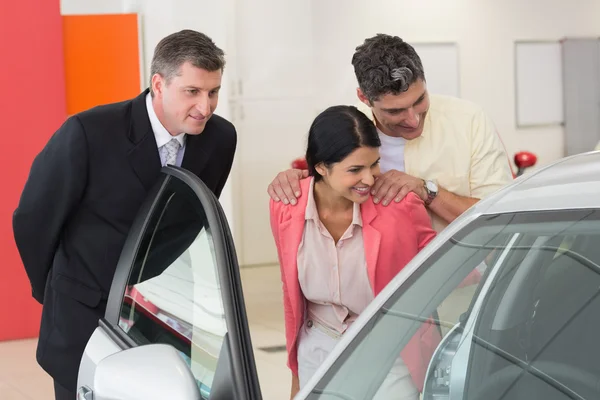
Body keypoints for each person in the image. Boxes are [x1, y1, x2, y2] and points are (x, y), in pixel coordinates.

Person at [12, 29, 236, 400]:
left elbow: (196, 215)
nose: (206, 107)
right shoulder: (88, 132)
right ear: (159, 84)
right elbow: (33, 220)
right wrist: (55, 291)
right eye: (192, 92)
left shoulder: (221, 138)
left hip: (161, 311)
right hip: (83, 311)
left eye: (213, 92)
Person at [270, 105, 438, 399]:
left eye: (374, 164)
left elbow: (440, 268)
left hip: (388, 350)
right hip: (317, 346)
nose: (370, 180)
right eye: (355, 170)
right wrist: (297, 372)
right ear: (321, 167)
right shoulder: (286, 204)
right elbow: (290, 295)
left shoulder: (399, 205)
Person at [268, 33, 513, 233]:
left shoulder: (469, 120)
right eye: (395, 111)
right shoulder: (347, 127)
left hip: (461, 279)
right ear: (364, 98)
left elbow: (501, 215)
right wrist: (295, 180)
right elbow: (326, 187)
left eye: (419, 100)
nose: (413, 119)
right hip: (379, 282)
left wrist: (425, 190)